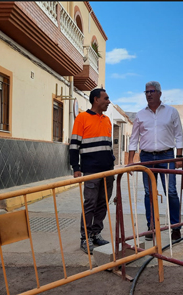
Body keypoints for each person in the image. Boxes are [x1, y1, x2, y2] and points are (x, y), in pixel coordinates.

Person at [128, 81, 183, 242]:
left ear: (159, 93)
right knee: (149, 193)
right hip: (146, 157)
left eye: (152, 91)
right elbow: (133, 139)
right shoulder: (140, 115)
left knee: (171, 191)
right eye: (146, 92)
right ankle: (151, 227)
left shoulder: (171, 112)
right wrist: (131, 160)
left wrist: (179, 158)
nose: (149, 94)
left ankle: (175, 228)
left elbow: (179, 135)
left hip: (167, 156)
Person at [69, 88, 115, 254]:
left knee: (103, 203)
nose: (108, 101)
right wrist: (76, 168)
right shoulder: (82, 118)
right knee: (90, 204)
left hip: (107, 171)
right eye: (106, 98)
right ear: (96, 99)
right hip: (90, 171)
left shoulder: (108, 120)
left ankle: (96, 233)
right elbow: (74, 145)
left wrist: (112, 164)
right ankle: (85, 238)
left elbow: (108, 147)